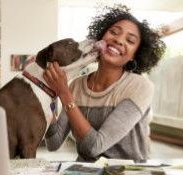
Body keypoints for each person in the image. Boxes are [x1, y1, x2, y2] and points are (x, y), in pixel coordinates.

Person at [43, 4, 166, 162]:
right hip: (85, 174)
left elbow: (94, 147)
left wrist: (64, 94)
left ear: (134, 56)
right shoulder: (76, 85)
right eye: (113, 32)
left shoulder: (140, 86)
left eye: (130, 40)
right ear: (101, 38)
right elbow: (54, 143)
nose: (118, 40)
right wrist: (49, 96)